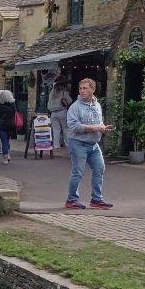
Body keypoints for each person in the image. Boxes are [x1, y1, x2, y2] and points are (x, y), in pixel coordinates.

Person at [65, 78, 115, 210]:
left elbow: (99, 122)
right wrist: (94, 128)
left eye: (85, 88)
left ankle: (96, 199)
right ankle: (71, 200)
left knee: (99, 169)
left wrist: (103, 127)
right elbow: (73, 126)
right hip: (78, 143)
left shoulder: (97, 105)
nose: (82, 91)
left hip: (94, 144)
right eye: (80, 88)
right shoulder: (75, 107)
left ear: (93, 89)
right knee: (78, 172)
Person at [48, 75, 73, 150]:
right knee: (65, 128)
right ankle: (67, 144)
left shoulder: (51, 92)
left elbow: (49, 103)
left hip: (53, 113)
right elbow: (69, 101)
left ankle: (56, 145)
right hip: (62, 111)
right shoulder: (63, 92)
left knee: (56, 130)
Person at [0, 89, 17, 163]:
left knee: (4, 141)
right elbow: (14, 113)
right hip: (11, 124)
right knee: (7, 140)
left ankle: (5, 157)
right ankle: (8, 154)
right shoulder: (13, 104)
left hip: (2, 125)